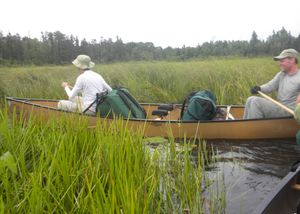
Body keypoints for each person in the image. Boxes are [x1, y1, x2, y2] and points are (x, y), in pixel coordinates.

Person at [243, 48, 300, 119]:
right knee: (250, 99)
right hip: (280, 107)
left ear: (292, 60)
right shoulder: (281, 74)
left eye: (282, 61)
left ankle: (253, 128)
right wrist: (259, 88)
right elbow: (270, 86)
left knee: (256, 102)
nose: (279, 64)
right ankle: (245, 125)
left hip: (290, 112)